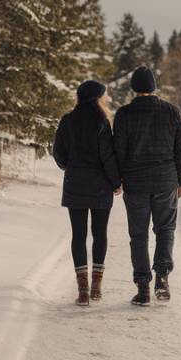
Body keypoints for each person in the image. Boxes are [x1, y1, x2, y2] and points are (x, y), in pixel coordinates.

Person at [113, 66, 181, 306]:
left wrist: (117, 180)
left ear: (133, 88)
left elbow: (118, 151)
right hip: (166, 180)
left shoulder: (124, 114)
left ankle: (143, 288)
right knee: (165, 230)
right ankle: (163, 279)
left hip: (135, 183)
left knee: (138, 235)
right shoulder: (171, 112)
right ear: (154, 87)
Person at [52, 80, 122, 306]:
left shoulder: (67, 121)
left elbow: (59, 154)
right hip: (100, 185)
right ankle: (96, 288)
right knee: (100, 234)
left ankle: (82, 291)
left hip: (75, 184)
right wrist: (115, 182)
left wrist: (69, 167)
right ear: (97, 98)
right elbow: (108, 156)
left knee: (78, 235)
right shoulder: (102, 122)